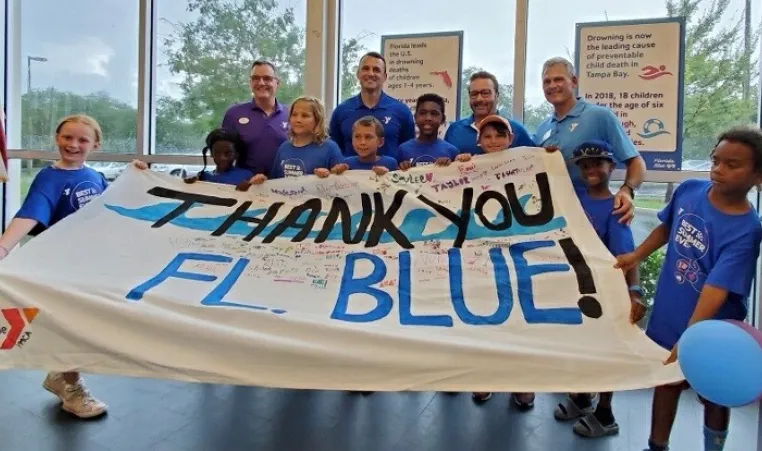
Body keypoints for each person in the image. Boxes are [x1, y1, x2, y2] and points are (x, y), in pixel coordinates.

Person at [615, 127, 762, 451]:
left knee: (713, 392)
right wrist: (635, 255)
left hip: (713, 327)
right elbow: (668, 227)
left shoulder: (747, 230)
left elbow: (716, 289)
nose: (718, 169)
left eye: (732, 164)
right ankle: (657, 445)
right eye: (715, 160)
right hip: (669, 314)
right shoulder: (690, 189)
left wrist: (691, 337)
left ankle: (713, 446)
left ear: (757, 176)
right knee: (666, 384)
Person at [0, 114, 110, 418]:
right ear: (56, 138)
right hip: (62, 268)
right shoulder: (49, 178)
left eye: (82, 140)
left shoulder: (96, 176)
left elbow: (116, 206)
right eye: (67, 137)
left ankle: (60, 375)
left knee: (84, 324)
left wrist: (138, 177)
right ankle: (72, 389)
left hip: (92, 266)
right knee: (71, 325)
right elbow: (30, 214)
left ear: (95, 144)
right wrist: (4, 246)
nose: (73, 145)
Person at [550, 141, 646, 438]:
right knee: (580, 344)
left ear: (611, 167)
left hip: (607, 290)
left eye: (598, 164)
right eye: (585, 165)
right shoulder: (572, 197)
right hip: (577, 286)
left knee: (608, 351)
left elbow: (626, 257)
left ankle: (605, 412)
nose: (591, 169)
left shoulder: (616, 207)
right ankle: (582, 397)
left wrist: (635, 291)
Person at [533, 57, 646, 224]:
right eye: (546, 81)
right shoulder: (542, 128)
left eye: (558, 79)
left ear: (574, 81)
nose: (552, 85)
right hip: (552, 217)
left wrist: (627, 190)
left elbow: (636, 162)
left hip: (591, 216)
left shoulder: (599, 116)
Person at [329, 52, 415, 160]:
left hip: (389, 175)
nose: (370, 73)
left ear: (385, 77)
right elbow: (334, 151)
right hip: (351, 175)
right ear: (358, 74)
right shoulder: (341, 111)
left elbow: (408, 151)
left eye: (376, 70)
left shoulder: (402, 111)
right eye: (365, 69)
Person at [250, 96, 343, 184]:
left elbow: (342, 182)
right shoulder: (284, 148)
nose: (298, 120)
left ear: (317, 120)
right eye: (294, 115)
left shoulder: (330, 148)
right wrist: (262, 181)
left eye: (305, 116)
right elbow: (275, 181)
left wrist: (328, 175)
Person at [221, 60, 288, 178]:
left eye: (267, 78)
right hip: (246, 187)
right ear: (250, 83)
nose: (261, 83)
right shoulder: (233, 114)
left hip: (285, 189)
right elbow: (223, 156)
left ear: (277, 83)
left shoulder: (292, 115)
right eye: (256, 78)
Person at [444, 71, 534, 155]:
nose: (479, 99)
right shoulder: (454, 130)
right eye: (474, 94)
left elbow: (535, 162)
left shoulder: (517, 130)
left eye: (485, 93)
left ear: (497, 95)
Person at [398, 93, 459, 170]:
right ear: (415, 117)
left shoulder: (452, 151)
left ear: (443, 119)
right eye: (423, 113)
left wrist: (447, 167)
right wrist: (402, 168)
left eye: (434, 114)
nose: (428, 118)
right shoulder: (403, 149)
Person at [184, 128, 253, 189]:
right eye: (217, 152)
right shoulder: (204, 176)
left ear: (236, 155)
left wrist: (252, 184)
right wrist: (192, 180)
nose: (222, 158)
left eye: (228, 153)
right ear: (211, 153)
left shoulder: (245, 175)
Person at [330, 116, 398, 176]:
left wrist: (388, 175)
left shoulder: (391, 163)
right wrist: (334, 172)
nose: (362, 142)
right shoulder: (346, 164)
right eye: (357, 136)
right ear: (352, 140)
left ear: (380, 142)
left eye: (368, 137)